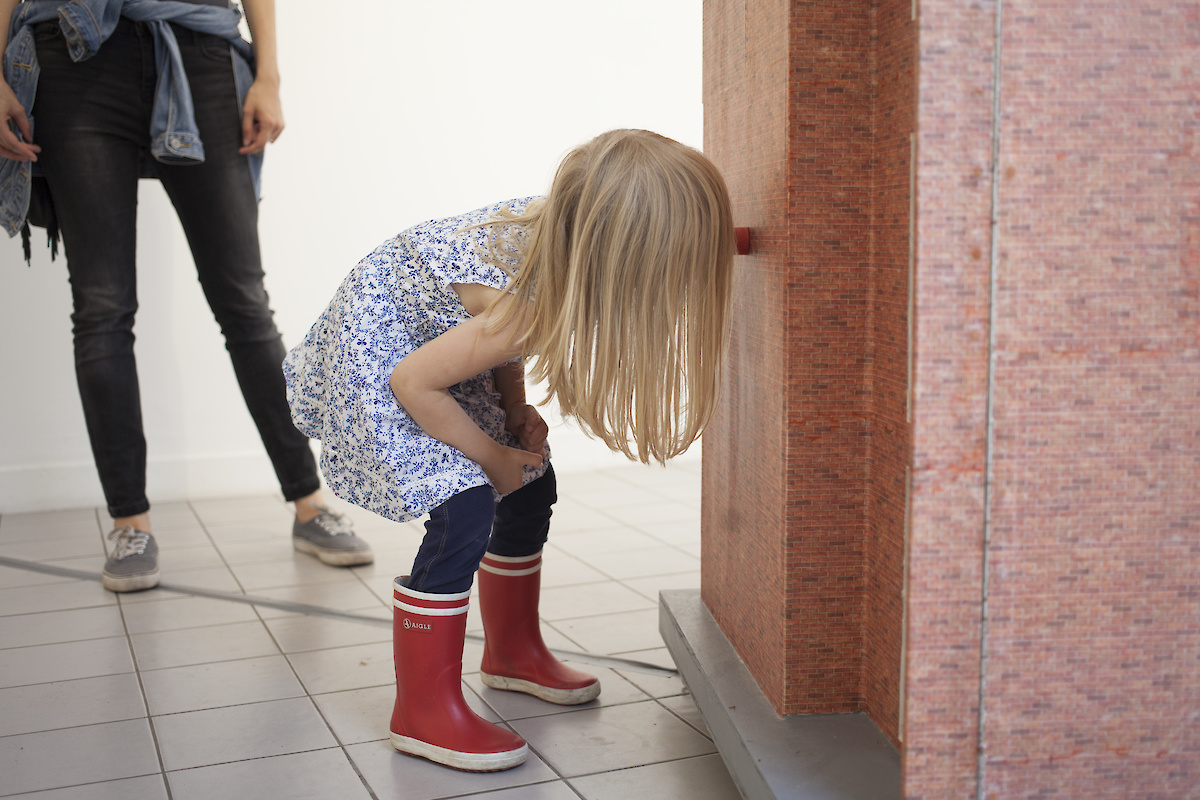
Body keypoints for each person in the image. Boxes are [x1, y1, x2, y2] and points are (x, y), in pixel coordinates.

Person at [283, 129, 735, 771]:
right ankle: (423, 708)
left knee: (530, 482)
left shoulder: (561, 237)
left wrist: (514, 413)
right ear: (622, 260)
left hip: (431, 354)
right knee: (464, 504)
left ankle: (512, 653)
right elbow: (414, 381)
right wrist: (492, 458)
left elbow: (499, 342)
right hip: (378, 358)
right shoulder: (525, 300)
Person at [0, 0, 373, 593]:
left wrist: (269, 74)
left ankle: (309, 503)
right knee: (102, 307)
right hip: (76, 53)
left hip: (199, 48)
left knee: (244, 305)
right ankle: (130, 522)